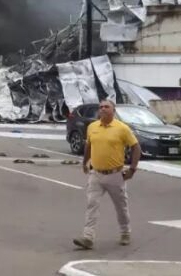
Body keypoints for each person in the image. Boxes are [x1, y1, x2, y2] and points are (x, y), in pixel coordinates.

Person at [73, 99, 141, 250]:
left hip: (115, 175)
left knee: (121, 207)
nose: (102, 109)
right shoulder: (92, 127)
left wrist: (132, 169)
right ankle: (88, 237)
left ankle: (125, 233)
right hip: (96, 174)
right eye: (101, 107)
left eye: (106, 107)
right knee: (92, 204)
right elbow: (89, 146)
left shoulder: (122, 128)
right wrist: (85, 162)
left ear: (113, 110)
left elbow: (136, 148)